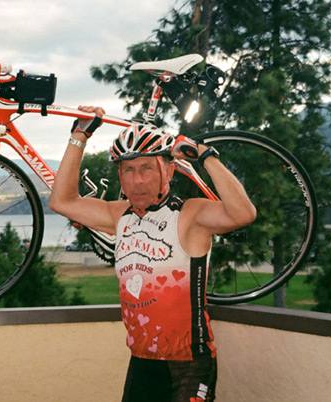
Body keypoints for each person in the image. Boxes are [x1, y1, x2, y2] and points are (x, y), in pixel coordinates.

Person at [49, 106, 256, 402]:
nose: (138, 181)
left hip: (189, 365)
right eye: (128, 170)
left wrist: (206, 157)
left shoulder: (190, 214)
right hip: (142, 362)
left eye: (147, 168)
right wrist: (80, 135)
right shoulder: (118, 215)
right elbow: (62, 201)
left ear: (168, 170)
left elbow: (243, 213)